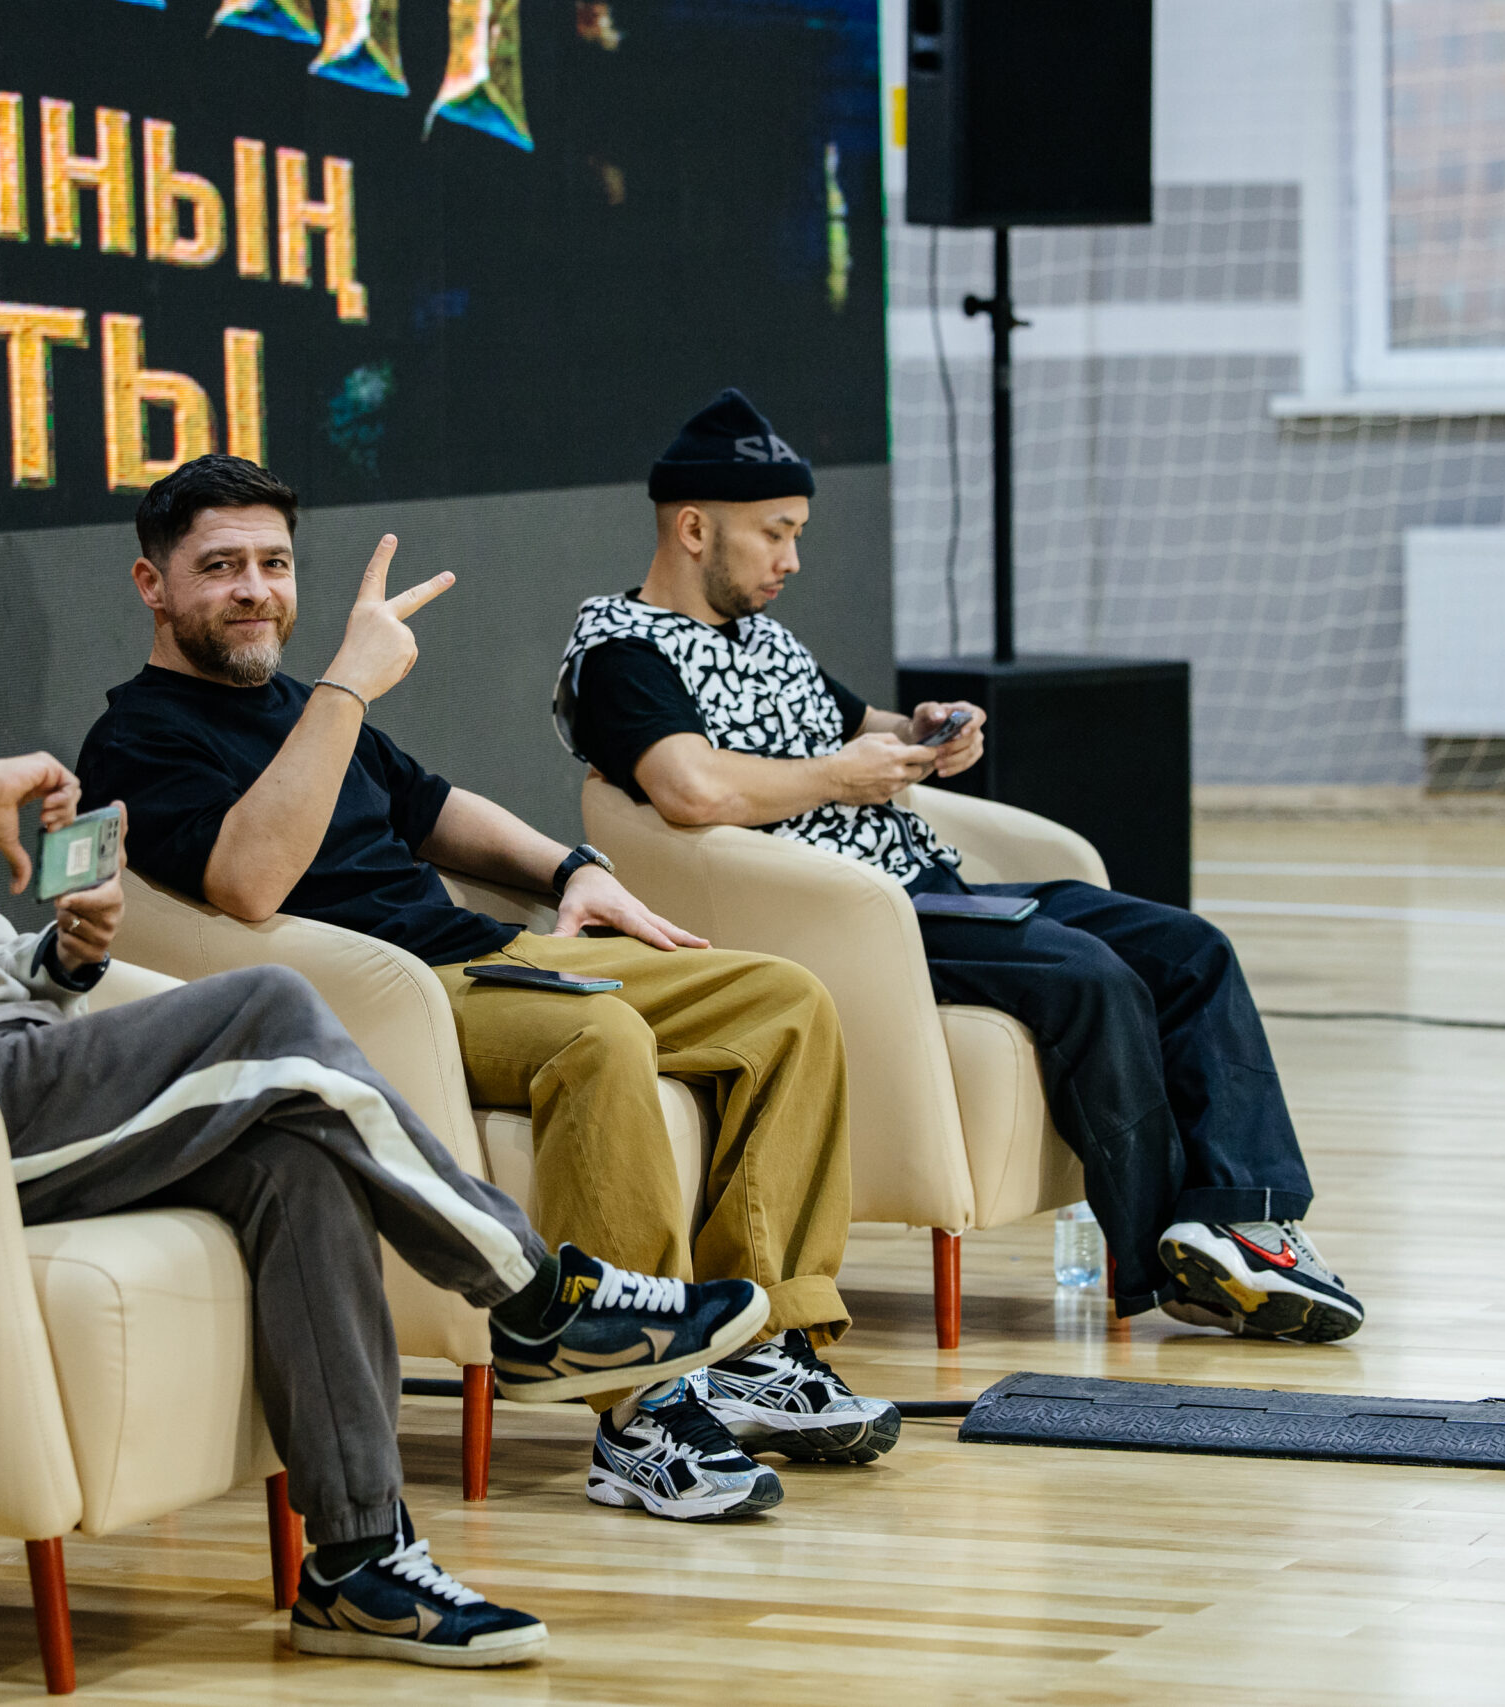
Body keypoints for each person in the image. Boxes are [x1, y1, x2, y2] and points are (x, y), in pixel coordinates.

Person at [0, 374, 779, 1671]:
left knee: (294, 1162)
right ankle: (535, 1293)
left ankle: (360, 1562)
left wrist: (58, 953)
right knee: (274, 1004)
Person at [76, 453, 902, 1526]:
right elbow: (248, 882)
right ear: (153, 585)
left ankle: (756, 1349)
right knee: (599, 1036)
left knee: (783, 1000)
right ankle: (640, 1412)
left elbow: (433, 807)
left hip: (480, 951)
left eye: (274, 564)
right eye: (221, 566)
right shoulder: (139, 735)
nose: (255, 590)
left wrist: (573, 869)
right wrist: (344, 687)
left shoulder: (304, 704)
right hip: (384, 997)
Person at [550, 388, 1364, 1344]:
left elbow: (863, 726)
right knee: (1088, 974)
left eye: (797, 533)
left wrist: (927, 730)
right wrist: (840, 777)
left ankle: (1241, 1220)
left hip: (930, 889)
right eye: (775, 533)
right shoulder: (623, 655)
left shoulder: (760, 637)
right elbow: (689, 787)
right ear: (694, 529)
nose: (791, 559)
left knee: (1189, 947)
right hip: (852, 917)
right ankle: (1172, 1264)